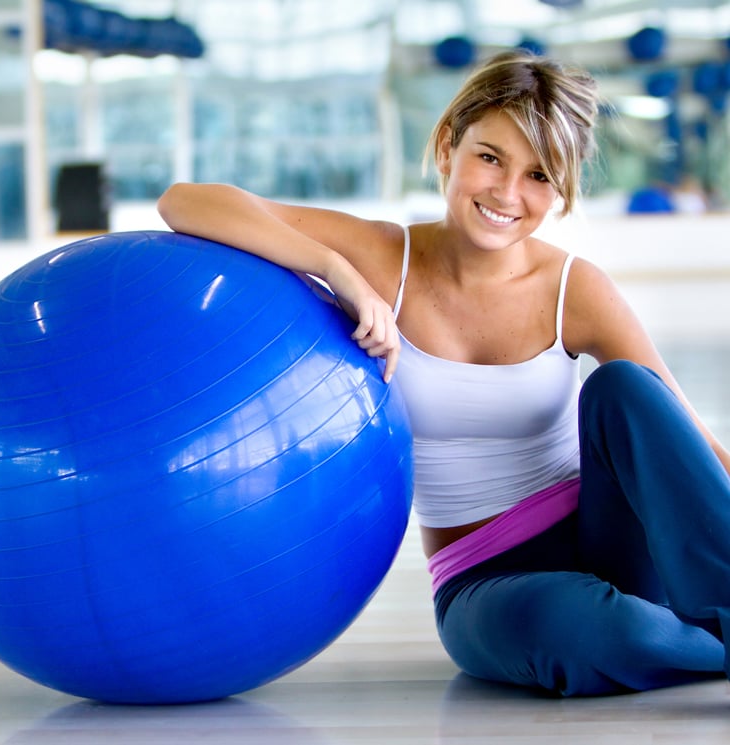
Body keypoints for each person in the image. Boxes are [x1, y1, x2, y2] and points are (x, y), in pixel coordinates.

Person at [157, 51, 730, 697]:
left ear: (560, 190)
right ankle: (686, 640)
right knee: (579, 629)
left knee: (626, 388)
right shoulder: (382, 256)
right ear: (447, 147)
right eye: (490, 157)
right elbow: (186, 202)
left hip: (609, 542)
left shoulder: (573, 286)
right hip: (485, 581)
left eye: (538, 174)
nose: (507, 193)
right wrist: (339, 272)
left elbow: (681, 435)